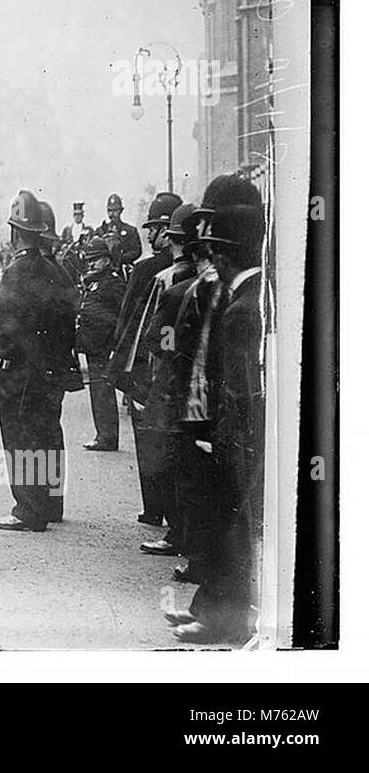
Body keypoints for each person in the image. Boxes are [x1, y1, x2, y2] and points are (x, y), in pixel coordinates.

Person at [167, 203, 266, 644]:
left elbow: (241, 393)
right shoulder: (246, 296)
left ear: (225, 256)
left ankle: (219, 619)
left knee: (231, 531)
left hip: (235, 441)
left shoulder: (241, 309)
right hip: (234, 437)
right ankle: (211, 610)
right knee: (229, 531)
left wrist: (220, 440)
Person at [0, 190, 78, 532]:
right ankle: (52, 502)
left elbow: (3, 332)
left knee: (20, 438)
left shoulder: (14, 272)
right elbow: (69, 318)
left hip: (19, 375)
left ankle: (27, 508)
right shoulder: (56, 271)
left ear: (14, 232)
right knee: (48, 433)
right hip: (50, 370)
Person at [137, 202, 208, 557]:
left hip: (173, 387)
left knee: (173, 458)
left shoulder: (173, 286)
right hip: (206, 392)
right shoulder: (209, 283)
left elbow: (159, 340)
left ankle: (178, 534)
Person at [105, 191, 181, 468]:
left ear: (167, 231)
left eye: (155, 230)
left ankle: (151, 510)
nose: (150, 236)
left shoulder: (146, 269)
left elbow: (126, 319)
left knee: (148, 443)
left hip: (146, 367)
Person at [74, 237, 125, 452]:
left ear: (107, 260)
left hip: (104, 347)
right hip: (95, 346)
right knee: (97, 391)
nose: (92, 264)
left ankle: (107, 437)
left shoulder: (114, 283)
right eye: (90, 260)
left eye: (96, 260)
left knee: (103, 392)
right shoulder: (95, 282)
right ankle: (102, 434)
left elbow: (120, 317)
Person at [95, 193, 142, 271]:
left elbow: (136, 251)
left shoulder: (130, 231)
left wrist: (120, 258)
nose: (112, 214)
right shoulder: (100, 231)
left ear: (121, 210)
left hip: (123, 267)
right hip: (103, 268)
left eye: (115, 210)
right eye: (109, 210)